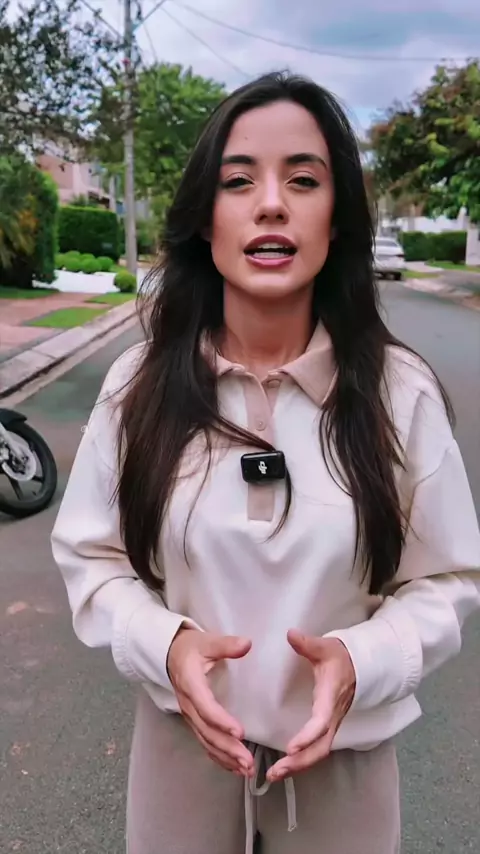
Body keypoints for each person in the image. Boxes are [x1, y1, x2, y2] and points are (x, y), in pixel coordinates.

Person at [51, 71, 480, 854]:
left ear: (336, 219)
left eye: (304, 180)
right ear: (204, 218)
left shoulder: (398, 392)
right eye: (239, 180)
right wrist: (166, 646)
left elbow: (448, 577)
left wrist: (361, 661)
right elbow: (92, 557)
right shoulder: (140, 385)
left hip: (344, 762)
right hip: (180, 753)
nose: (272, 204)